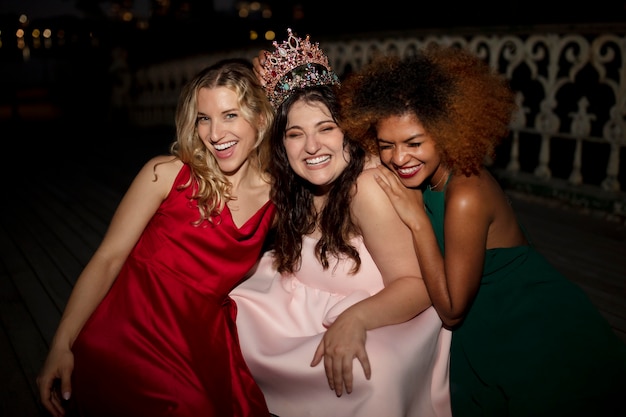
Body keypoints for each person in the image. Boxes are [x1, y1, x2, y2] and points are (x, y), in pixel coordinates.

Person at [337, 44, 626, 416]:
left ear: (446, 132)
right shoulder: (421, 176)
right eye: (386, 145)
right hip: (485, 327)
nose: (399, 158)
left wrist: (417, 220)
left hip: (532, 327)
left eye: (414, 143)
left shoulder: (466, 194)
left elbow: (454, 310)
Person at [36, 59, 276, 417]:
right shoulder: (165, 174)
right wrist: (61, 343)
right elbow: (108, 258)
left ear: (260, 119)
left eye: (230, 115)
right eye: (204, 118)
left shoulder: (279, 199)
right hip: (130, 331)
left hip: (200, 341)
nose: (214, 133)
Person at [231, 29, 452, 417]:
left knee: (369, 374)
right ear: (281, 145)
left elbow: (418, 285)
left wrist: (355, 319)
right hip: (295, 307)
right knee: (221, 325)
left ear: (347, 130)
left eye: (326, 129)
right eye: (295, 134)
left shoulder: (366, 187)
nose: (312, 147)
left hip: (387, 315)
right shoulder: (289, 184)